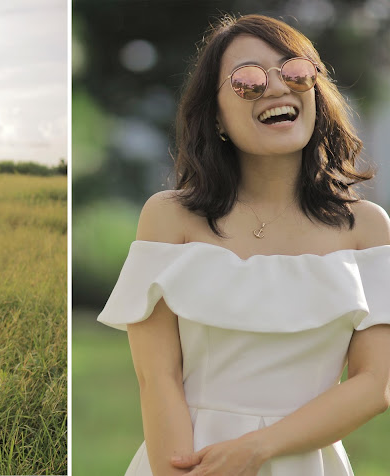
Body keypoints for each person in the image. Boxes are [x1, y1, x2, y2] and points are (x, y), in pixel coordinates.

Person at [97, 13, 390, 476]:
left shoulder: (367, 228)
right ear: (215, 117)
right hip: (188, 457)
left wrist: (258, 448)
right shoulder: (169, 217)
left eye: (295, 71)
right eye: (248, 81)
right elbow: (158, 379)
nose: (277, 88)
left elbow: (375, 385)